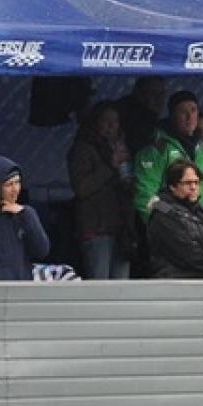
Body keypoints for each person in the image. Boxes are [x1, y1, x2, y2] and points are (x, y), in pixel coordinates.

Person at [134, 91, 203, 231]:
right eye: (183, 111)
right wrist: (172, 221)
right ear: (172, 115)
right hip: (173, 233)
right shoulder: (156, 151)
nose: (189, 116)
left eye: (193, 110)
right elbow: (146, 197)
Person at [67, 102, 136, 280]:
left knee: (121, 288)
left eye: (115, 121)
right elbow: (81, 188)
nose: (111, 126)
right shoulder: (83, 148)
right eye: (106, 121)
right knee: (99, 285)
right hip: (96, 229)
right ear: (95, 122)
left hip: (121, 230)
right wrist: (110, 166)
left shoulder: (121, 146)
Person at [146, 160, 203, 279]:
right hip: (177, 285)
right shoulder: (163, 214)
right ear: (172, 186)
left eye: (196, 182)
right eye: (187, 183)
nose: (193, 187)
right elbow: (190, 256)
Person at [118, 76, 168, 154]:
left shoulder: (154, 120)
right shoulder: (134, 119)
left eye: (162, 93)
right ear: (140, 95)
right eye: (153, 93)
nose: (159, 99)